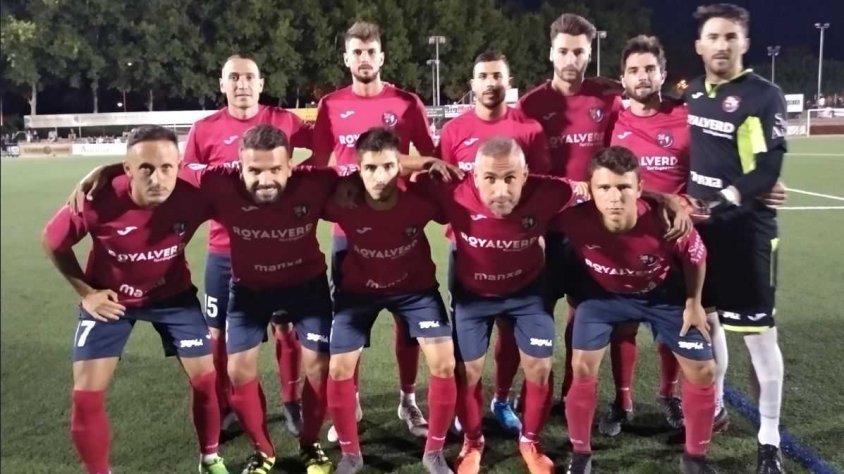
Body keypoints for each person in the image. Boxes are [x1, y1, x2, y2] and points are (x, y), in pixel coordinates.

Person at [42, 125, 228, 474]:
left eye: (166, 167)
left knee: (206, 381)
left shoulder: (195, 195)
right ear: (127, 169)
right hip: (110, 300)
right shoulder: (97, 199)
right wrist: (87, 293)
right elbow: (53, 242)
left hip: (173, 298)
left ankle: (210, 458)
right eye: (145, 169)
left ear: (179, 166)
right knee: (85, 396)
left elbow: (245, 184)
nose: (157, 179)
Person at [418, 137, 579, 474]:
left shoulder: (551, 191)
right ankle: (473, 441)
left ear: (525, 175)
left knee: (540, 367)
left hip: (527, 297)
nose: (501, 190)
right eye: (490, 178)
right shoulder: (453, 190)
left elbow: (601, 188)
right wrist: (422, 163)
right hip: (473, 298)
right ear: (474, 176)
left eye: (510, 178)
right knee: (468, 371)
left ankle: (530, 441)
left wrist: (663, 199)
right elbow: (388, 176)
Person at [556, 146, 718, 474]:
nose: (614, 197)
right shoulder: (572, 217)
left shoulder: (666, 219)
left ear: (639, 187)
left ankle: (695, 458)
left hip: (661, 296)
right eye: (604, 188)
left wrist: (693, 302)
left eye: (624, 187)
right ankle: (581, 453)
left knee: (704, 371)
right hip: (603, 298)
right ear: (590, 189)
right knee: (582, 367)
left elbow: (695, 258)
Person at [311, 20, 437, 441]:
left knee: (408, 320)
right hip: (349, 233)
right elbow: (320, 166)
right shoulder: (330, 105)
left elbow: (431, 158)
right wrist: (343, 184)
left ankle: (408, 399)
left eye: (370, 52)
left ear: (381, 56)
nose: (364, 59)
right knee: (350, 322)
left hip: (401, 227)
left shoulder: (407, 103)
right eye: (356, 52)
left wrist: (406, 175)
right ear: (346, 59)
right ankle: (353, 399)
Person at [182, 54, 312, 437]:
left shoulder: (285, 120)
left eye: (249, 77)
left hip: (277, 247)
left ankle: (291, 402)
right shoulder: (204, 129)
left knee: (285, 328)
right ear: (222, 84)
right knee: (218, 334)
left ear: (261, 83)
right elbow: (186, 173)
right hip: (224, 250)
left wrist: (297, 179)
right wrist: (221, 175)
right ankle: (231, 405)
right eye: (234, 78)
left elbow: (325, 146)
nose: (242, 84)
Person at [685, 4, 787, 472]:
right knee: (709, 324)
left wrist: (724, 198)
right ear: (699, 46)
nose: (722, 44)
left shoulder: (764, 96)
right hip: (702, 235)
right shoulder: (692, 95)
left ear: (744, 42)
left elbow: (768, 167)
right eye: (713, 36)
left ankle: (769, 438)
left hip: (747, 234)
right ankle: (718, 403)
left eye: (731, 36)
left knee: (760, 339)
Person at [324, 127, 457, 474]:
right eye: (370, 168)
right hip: (358, 292)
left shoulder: (420, 199)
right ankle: (351, 455)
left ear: (400, 166)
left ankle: (434, 452)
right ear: (358, 169)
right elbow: (303, 184)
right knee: (338, 368)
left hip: (415, 291)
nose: (380, 176)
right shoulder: (341, 199)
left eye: (388, 166)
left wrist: (429, 164)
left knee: (444, 363)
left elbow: (456, 197)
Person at [436, 49, 551, 434]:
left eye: (497, 76)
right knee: (466, 335)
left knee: (511, 333)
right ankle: (466, 406)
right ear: (472, 84)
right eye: (483, 76)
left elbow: (541, 187)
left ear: (508, 81)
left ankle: (501, 399)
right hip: (466, 248)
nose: (490, 83)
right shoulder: (453, 131)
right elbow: (444, 185)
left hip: (518, 248)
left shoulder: (529, 130)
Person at [517, 13, 624, 407]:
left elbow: (621, 156)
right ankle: (535, 389)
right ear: (551, 53)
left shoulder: (606, 100)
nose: (570, 60)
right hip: (544, 230)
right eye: (563, 51)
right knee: (537, 313)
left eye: (578, 52)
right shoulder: (531, 104)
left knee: (583, 313)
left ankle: (569, 388)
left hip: (591, 229)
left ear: (589, 54)